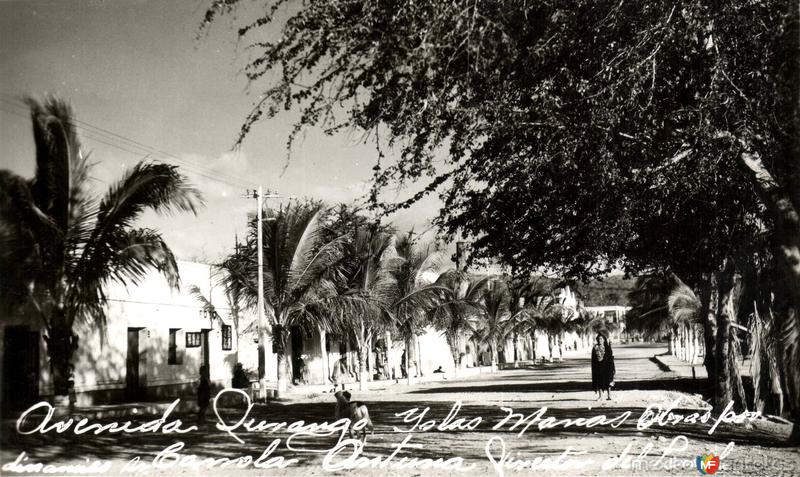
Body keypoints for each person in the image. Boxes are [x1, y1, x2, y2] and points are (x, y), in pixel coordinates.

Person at [591, 334, 616, 400]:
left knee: (608, 381)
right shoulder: (595, 348)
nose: (600, 340)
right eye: (599, 339)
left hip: (606, 367)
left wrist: (610, 345)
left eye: (601, 339)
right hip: (598, 367)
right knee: (599, 381)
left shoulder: (607, 347)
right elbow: (593, 359)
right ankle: (600, 396)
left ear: (604, 340)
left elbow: (610, 356)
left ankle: (609, 396)